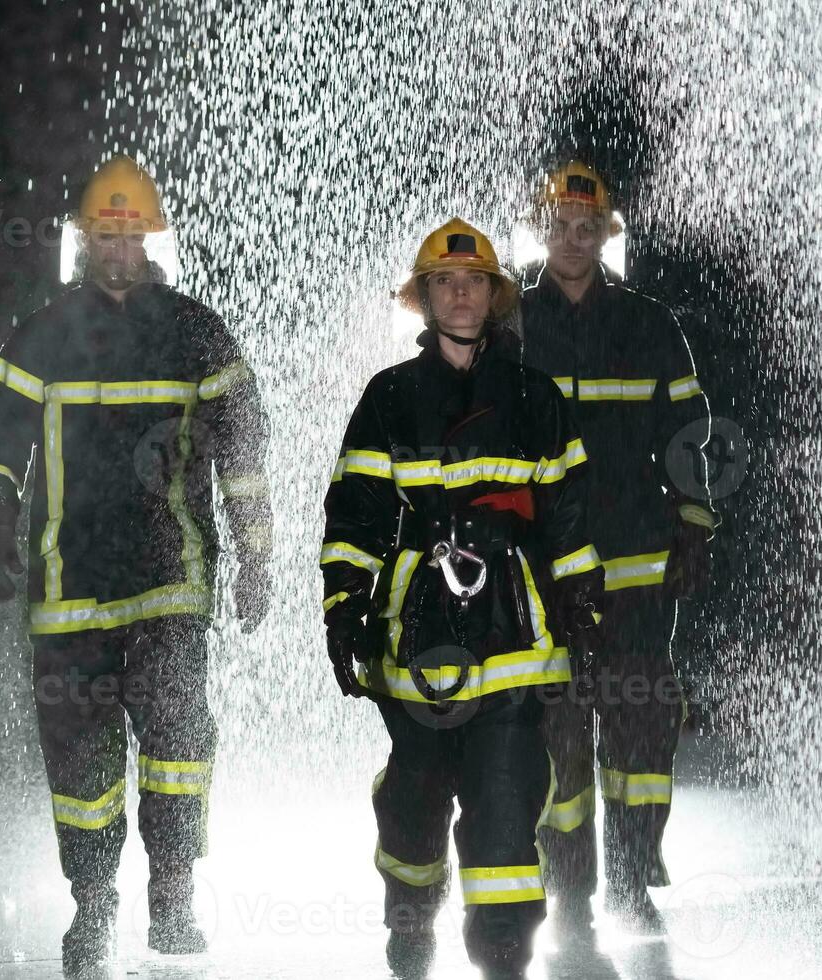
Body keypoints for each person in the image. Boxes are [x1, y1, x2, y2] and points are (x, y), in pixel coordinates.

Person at [0, 155, 270, 977]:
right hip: (68, 593)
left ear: (152, 239)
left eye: (131, 235)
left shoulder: (195, 331)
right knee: (80, 765)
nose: (118, 248)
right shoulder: (42, 334)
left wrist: (257, 555)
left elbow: (243, 453)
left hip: (171, 583)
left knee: (177, 746)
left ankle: (171, 898)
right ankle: (93, 906)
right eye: (105, 234)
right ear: (83, 240)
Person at [319, 217, 604, 979]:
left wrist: (584, 609)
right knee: (415, 801)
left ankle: (505, 961)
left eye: (473, 280)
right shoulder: (388, 398)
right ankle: (408, 937)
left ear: (493, 295)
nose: (460, 293)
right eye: (444, 282)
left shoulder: (534, 399)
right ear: (423, 298)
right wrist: (343, 607)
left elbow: (568, 515)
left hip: (513, 634)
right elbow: (355, 513)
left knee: (506, 809)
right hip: (416, 638)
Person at [518, 161, 718, 934]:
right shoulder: (514, 327)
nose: (574, 241)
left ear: (607, 235)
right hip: (545, 573)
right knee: (556, 730)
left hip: (636, 568)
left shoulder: (650, 326)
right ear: (544, 231)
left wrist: (695, 521)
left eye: (587, 229)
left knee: (640, 724)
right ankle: (569, 888)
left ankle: (632, 878)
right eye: (561, 227)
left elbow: (688, 437)